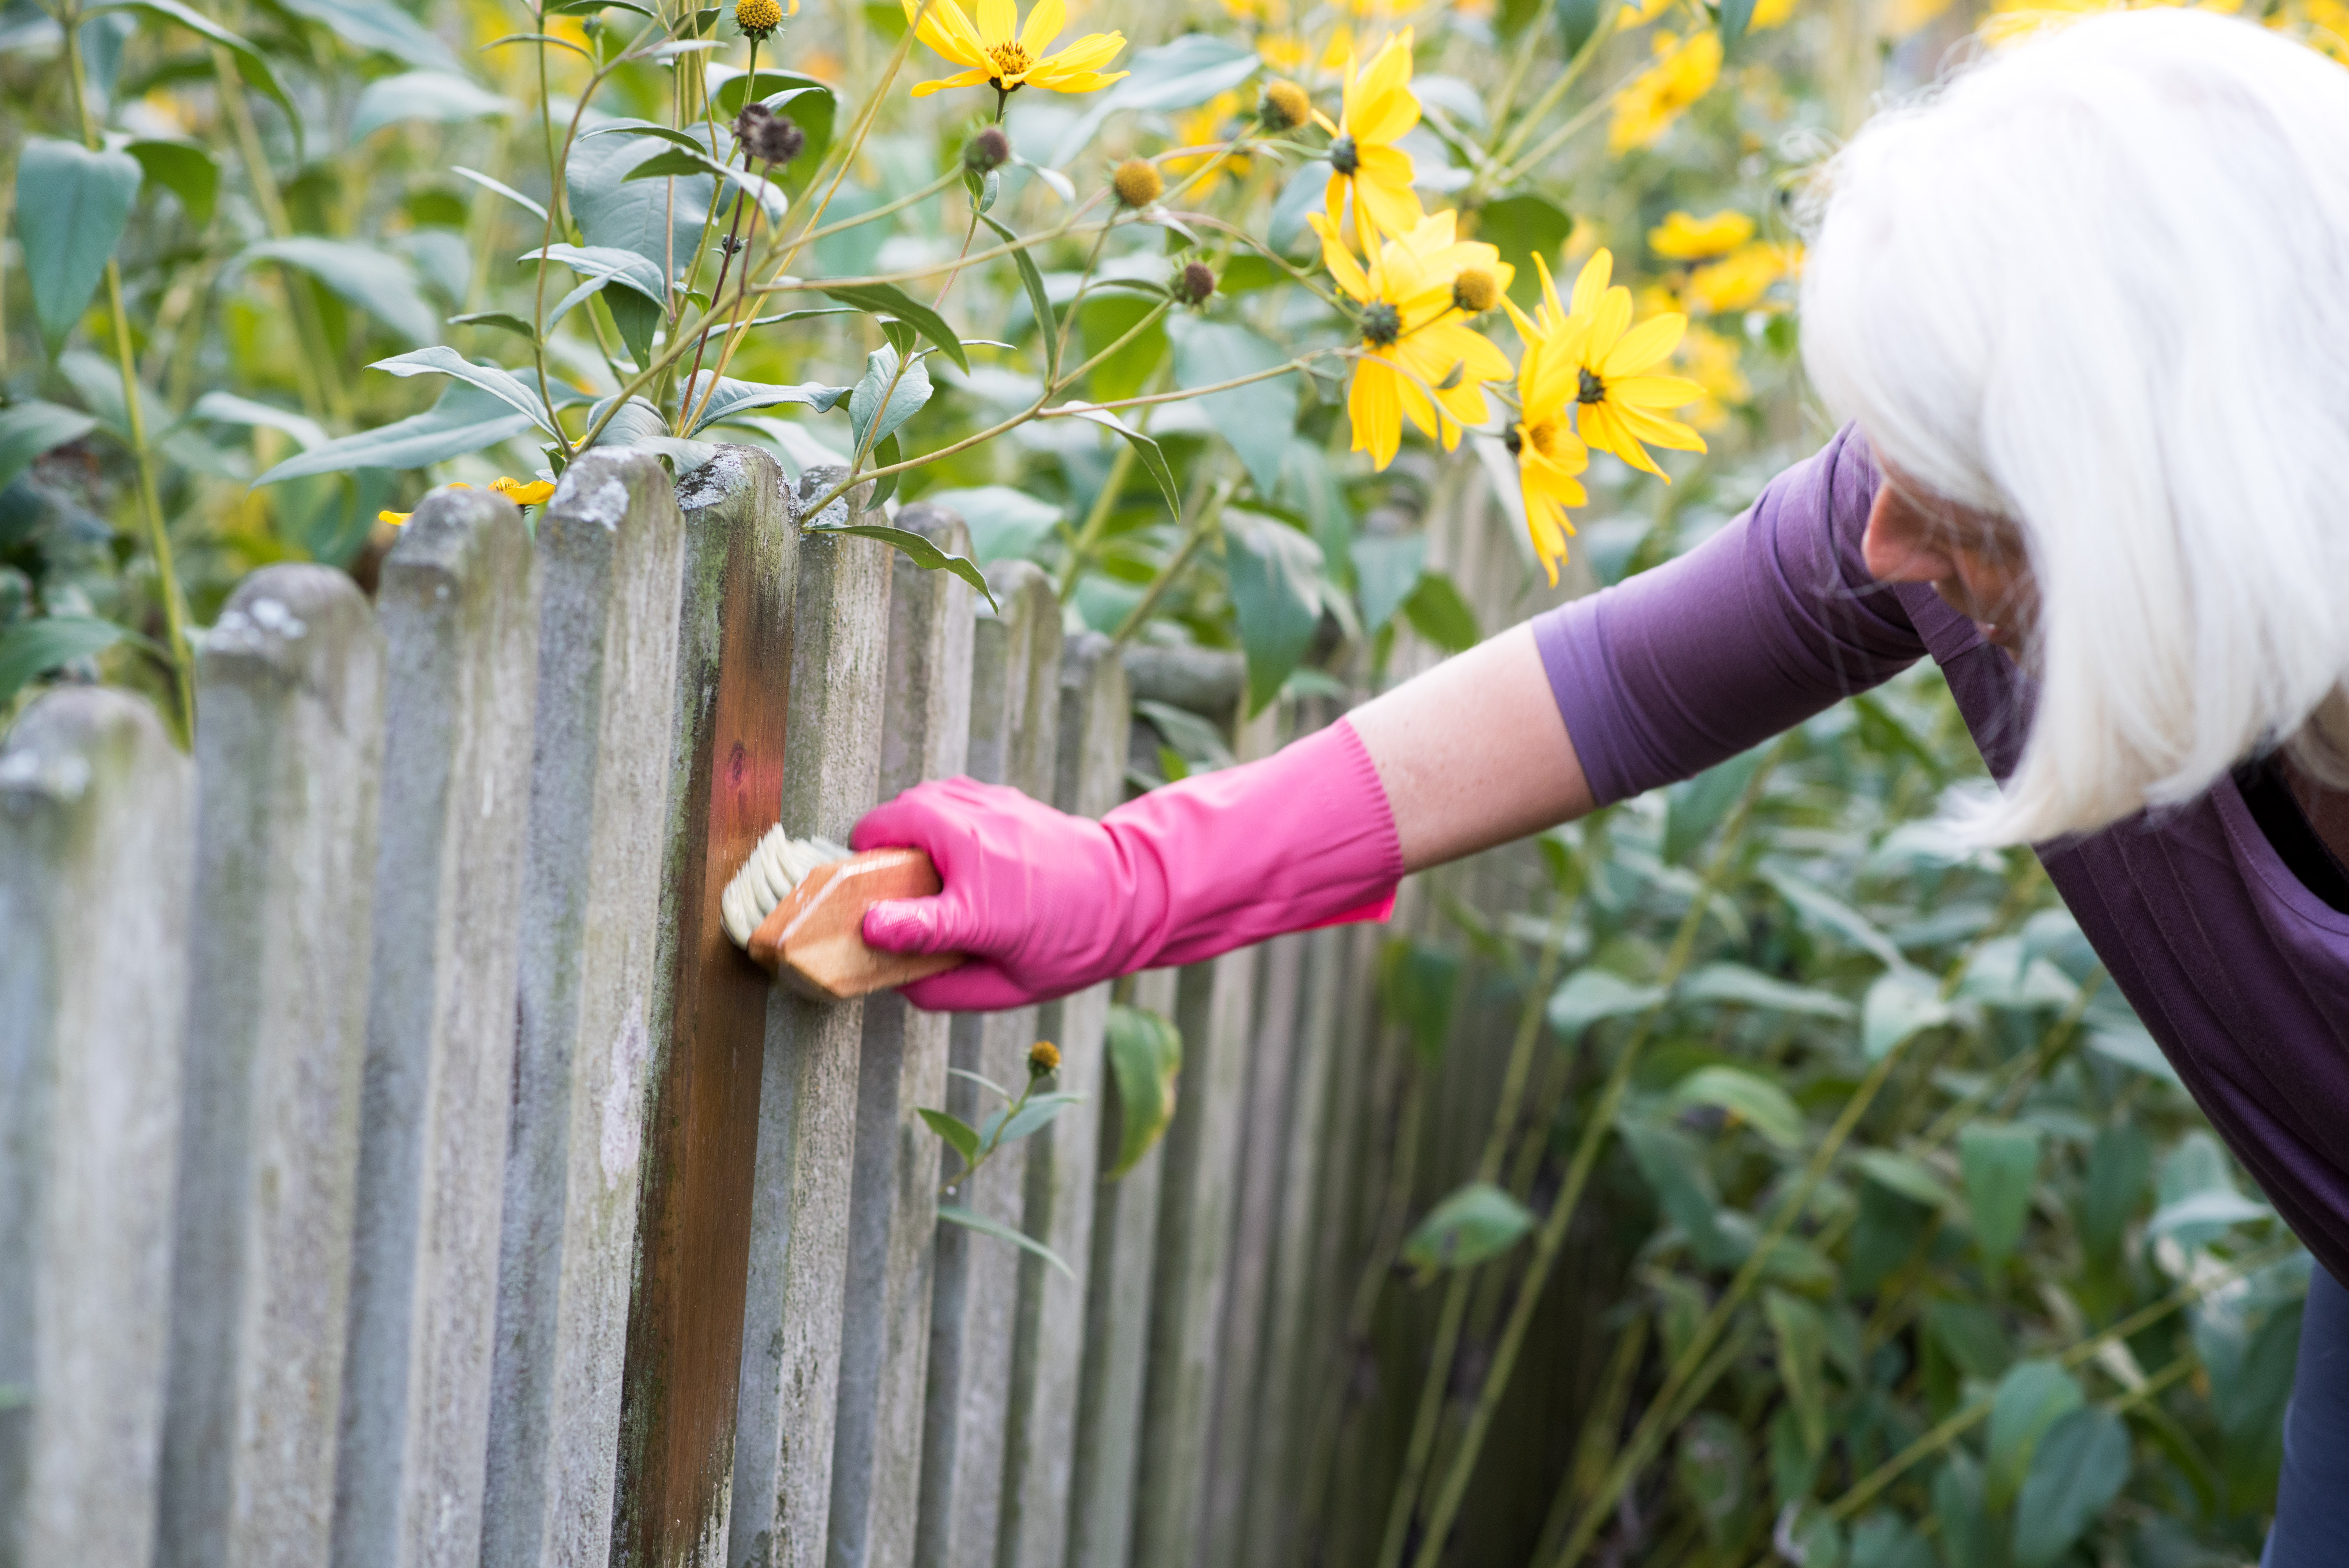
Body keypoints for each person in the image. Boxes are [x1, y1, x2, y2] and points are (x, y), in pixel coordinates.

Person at [848, 10, 2349, 1559]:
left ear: (2182, 484)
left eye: (1949, 481)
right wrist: (1133, 874)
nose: (1883, 541)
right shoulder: (1985, 526)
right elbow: (1613, 685)